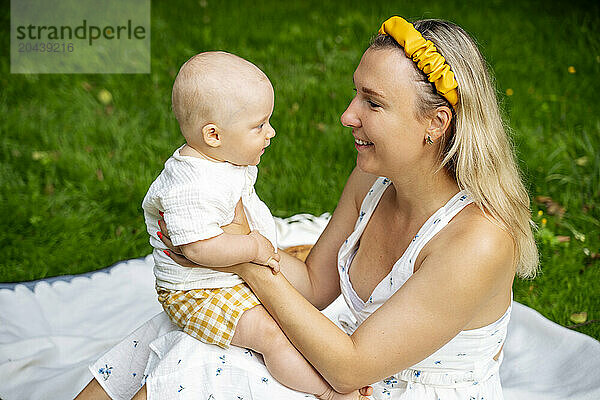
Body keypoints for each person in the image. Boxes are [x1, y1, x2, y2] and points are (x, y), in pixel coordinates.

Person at [77, 16, 538, 400]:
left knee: (197, 362)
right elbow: (316, 285)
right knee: (186, 328)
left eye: (373, 103)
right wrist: (217, 254)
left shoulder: (478, 241)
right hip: (349, 366)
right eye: (357, 92)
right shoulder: (374, 180)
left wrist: (243, 257)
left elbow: (348, 368)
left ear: (434, 124)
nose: (347, 114)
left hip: (371, 382)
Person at [99, 51, 365, 400]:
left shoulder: (219, 160)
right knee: (271, 334)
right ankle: (328, 392)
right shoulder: (190, 186)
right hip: (196, 294)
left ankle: (318, 369)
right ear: (213, 135)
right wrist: (253, 246)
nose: (271, 132)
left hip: (219, 279)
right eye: (259, 125)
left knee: (293, 322)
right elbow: (196, 249)